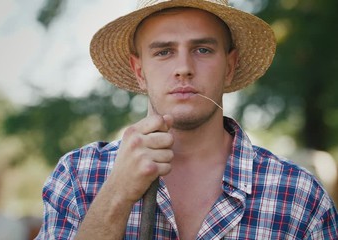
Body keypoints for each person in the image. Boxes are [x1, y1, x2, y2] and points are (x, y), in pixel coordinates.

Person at [36, 0, 338, 239]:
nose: (183, 67)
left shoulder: (298, 195)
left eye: (203, 49)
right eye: (164, 52)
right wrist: (116, 194)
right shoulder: (79, 176)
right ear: (139, 72)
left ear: (229, 66)